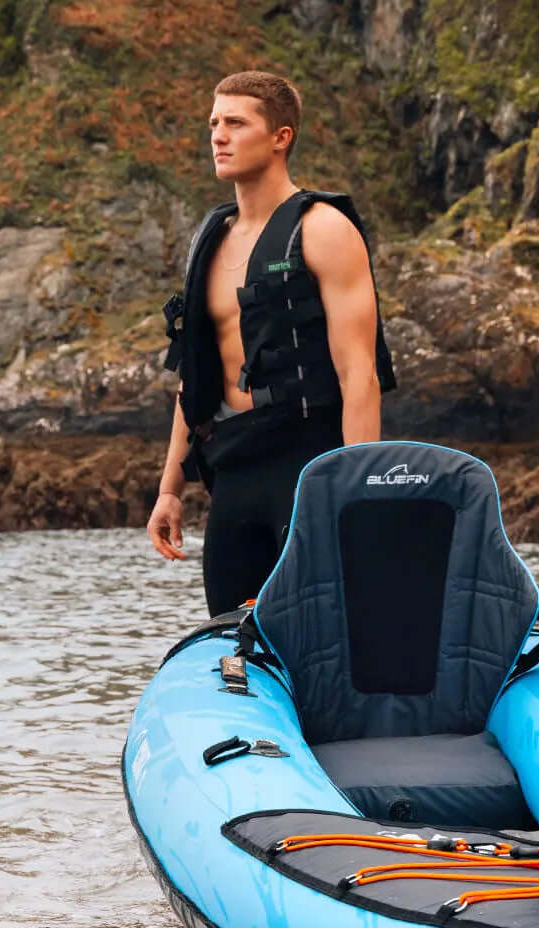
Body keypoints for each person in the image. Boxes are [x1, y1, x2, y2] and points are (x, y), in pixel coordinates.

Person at [146, 70, 395, 614]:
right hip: (233, 474)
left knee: (320, 636)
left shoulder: (324, 228)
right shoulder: (209, 238)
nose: (218, 135)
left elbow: (360, 375)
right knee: (237, 641)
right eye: (214, 123)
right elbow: (194, 376)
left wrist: (357, 494)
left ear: (281, 136)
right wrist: (170, 488)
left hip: (308, 465)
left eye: (236, 123)